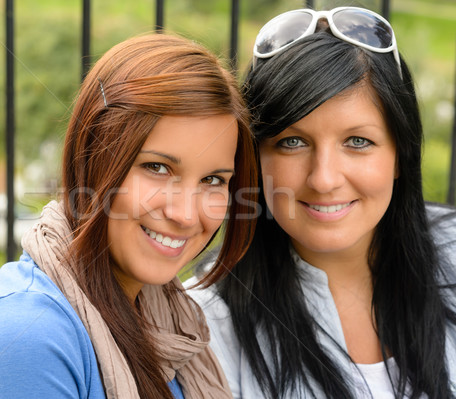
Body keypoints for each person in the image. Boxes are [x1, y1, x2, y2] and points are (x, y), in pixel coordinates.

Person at [0, 33, 257, 399]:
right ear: (92, 162)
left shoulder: (165, 319)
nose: (184, 214)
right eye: (157, 168)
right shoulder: (28, 337)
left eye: (213, 180)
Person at [188, 6, 456, 398]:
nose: (325, 179)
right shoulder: (202, 328)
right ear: (253, 158)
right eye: (292, 142)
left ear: (400, 154)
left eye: (358, 142)